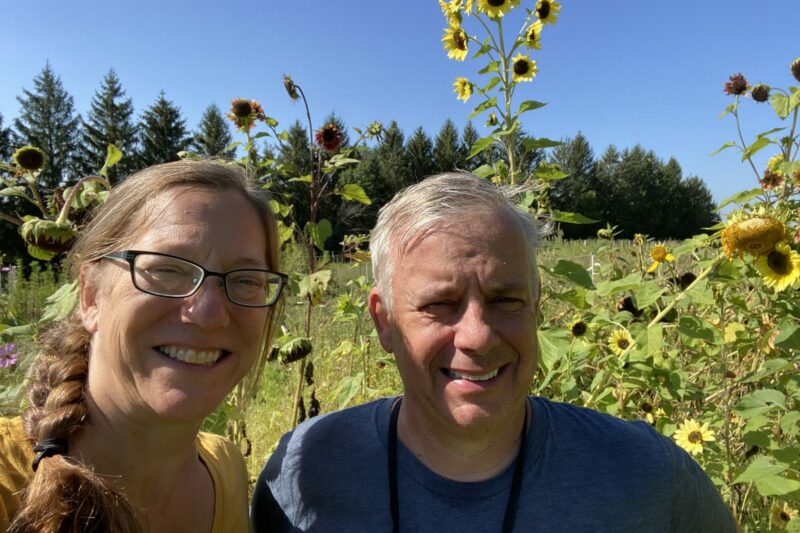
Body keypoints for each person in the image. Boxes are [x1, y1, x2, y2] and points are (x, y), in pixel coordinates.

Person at [251, 172, 737, 532]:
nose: (478, 336)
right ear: (385, 320)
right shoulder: (305, 472)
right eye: (440, 304)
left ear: (537, 307)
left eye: (505, 299)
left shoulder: (645, 475)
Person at [0, 160, 287, 533]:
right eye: (166, 269)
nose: (209, 314)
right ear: (90, 296)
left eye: (246, 280)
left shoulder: (226, 469)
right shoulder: (7, 479)